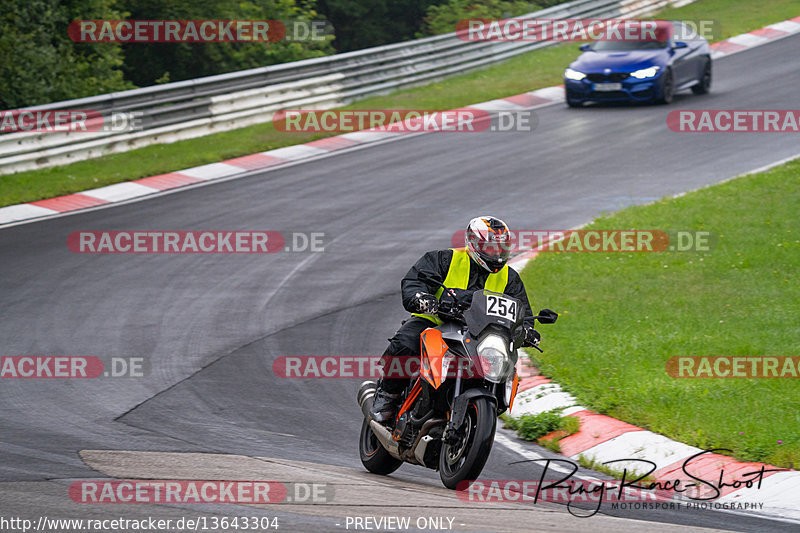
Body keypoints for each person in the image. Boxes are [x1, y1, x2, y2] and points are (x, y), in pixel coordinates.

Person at [370, 216, 542, 423]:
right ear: (473, 243)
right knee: (406, 342)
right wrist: (421, 298)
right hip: (436, 322)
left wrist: (527, 330)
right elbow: (416, 280)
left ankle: (483, 406)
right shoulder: (445, 259)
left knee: (503, 363)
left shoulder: (510, 278)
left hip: (481, 335)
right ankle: (388, 394)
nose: (496, 253)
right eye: (489, 247)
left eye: (500, 248)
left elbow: (521, 309)